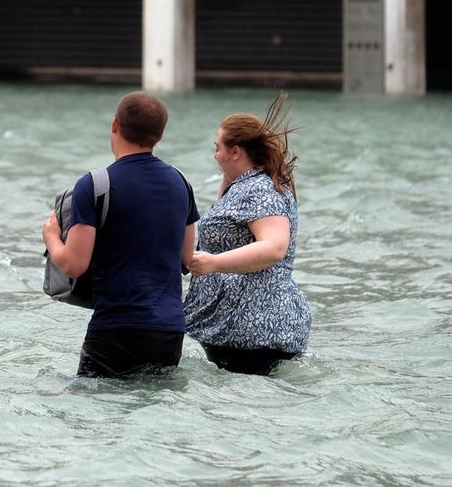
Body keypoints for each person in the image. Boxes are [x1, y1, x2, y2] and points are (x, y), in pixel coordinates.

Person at [42, 91, 199, 379]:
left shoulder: (94, 184)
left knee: (92, 411)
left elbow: (74, 264)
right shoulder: (181, 182)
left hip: (117, 328)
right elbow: (187, 259)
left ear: (115, 124)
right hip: (170, 330)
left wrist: (51, 236)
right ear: (160, 135)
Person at [183, 91, 311, 376]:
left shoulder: (258, 190)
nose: (215, 154)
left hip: (254, 329)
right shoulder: (253, 183)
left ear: (236, 151)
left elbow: (275, 247)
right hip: (250, 327)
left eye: (218, 148)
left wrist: (213, 263)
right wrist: (229, 175)